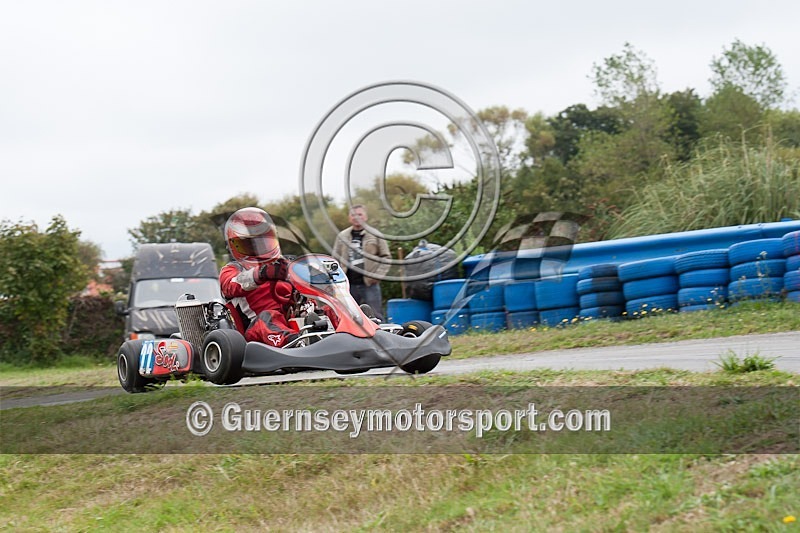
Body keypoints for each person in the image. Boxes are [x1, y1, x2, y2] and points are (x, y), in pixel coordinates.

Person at [218, 207, 299, 347]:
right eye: (249, 245)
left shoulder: (285, 264)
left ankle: (344, 333)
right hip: (256, 329)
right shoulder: (231, 270)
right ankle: (295, 343)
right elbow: (231, 285)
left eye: (263, 242)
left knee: (325, 307)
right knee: (268, 317)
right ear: (233, 246)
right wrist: (260, 274)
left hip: (292, 317)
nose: (258, 249)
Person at [332, 204, 391, 320]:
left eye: (359, 214)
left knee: (376, 316)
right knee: (349, 316)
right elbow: (335, 259)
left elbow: (386, 258)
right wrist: (337, 279)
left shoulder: (375, 234)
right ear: (349, 218)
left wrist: (377, 276)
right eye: (353, 215)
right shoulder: (342, 236)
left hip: (370, 284)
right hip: (348, 285)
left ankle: (381, 337)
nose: (356, 217)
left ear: (365, 217)